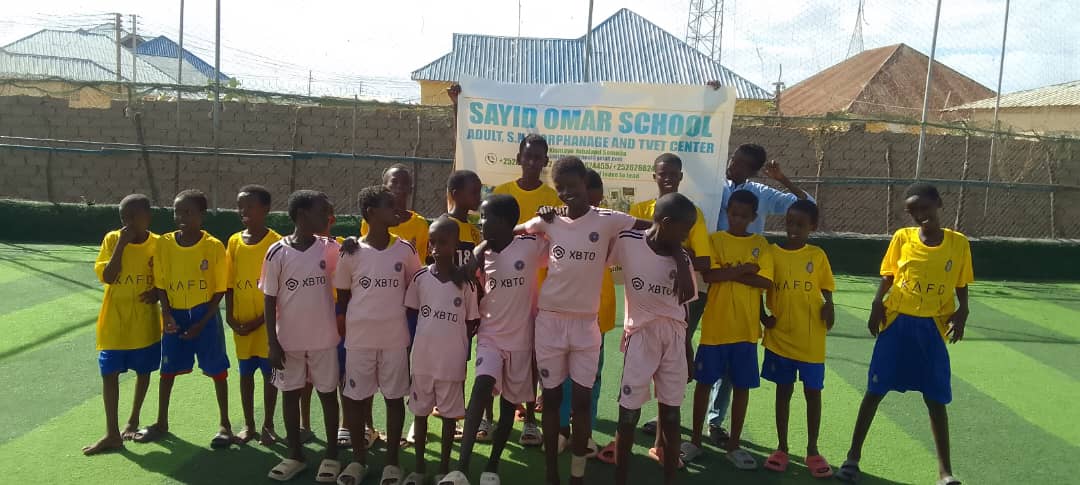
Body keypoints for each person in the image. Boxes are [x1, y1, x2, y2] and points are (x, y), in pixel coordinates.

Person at [517, 156, 649, 485]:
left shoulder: (607, 220)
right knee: (551, 399)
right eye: (560, 188)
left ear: (586, 185)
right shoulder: (549, 220)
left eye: (572, 186)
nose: (566, 193)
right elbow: (515, 232)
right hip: (550, 322)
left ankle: (577, 475)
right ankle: (551, 472)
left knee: (581, 401)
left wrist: (676, 251)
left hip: (586, 325)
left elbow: (648, 227)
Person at [835, 183, 972, 485]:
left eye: (924, 207)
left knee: (935, 399)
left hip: (932, 328)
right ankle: (852, 458)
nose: (920, 215)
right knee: (874, 392)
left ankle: (945, 472)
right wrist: (876, 303)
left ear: (938, 203)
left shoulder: (958, 243)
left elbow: (961, 281)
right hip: (897, 323)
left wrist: (963, 310)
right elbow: (889, 275)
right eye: (913, 211)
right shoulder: (902, 238)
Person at [704, 143, 812, 446]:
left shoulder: (762, 193)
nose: (732, 165)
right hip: (706, 276)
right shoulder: (713, 185)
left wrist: (783, 179)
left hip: (743, 287)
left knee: (731, 355)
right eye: (733, 159)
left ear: (752, 171)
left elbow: (807, 204)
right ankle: (665, 413)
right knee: (682, 344)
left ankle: (715, 421)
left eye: (741, 164)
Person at [451, 194, 548, 485]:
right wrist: (480, 249)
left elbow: (557, 237)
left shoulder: (529, 246)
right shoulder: (483, 254)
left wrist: (546, 218)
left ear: (505, 221)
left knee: (508, 405)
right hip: (490, 335)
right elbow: (462, 276)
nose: (480, 223)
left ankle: (492, 466)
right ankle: (461, 468)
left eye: (485, 217)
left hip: (521, 340)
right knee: (481, 387)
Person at [334, 186, 423, 485]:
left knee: (394, 398)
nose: (397, 210)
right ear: (371, 212)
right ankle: (358, 460)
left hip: (395, 339)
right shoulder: (351, 251)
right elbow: (343, 297)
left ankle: (392, 463)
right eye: (390, 205)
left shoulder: (406, 250)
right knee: (356, 398)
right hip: (359, 340)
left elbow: (417, 287)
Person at [132, 189, 233, 448]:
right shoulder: (164, 243)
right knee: (167, 370)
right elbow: (161, 283)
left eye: (188, 212)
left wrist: (201, 322)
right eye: (177, 212)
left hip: (204, 315)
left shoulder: (213, 246)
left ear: (202, 215)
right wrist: (166, 314)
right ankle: (161, 422)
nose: (181, 217)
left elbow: (219, 289)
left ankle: (225, 424)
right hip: (174, 313)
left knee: (217, 370)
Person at [609, 192, 697, 485]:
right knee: (628, 415)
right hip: (641, 337)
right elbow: (599, 248)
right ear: (666, 222)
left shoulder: (682, 256)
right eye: (684, 229)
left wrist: (688, 350)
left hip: (673, 339)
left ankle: (670, 478)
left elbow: (686, 305)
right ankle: (620, 478)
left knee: (671, 415)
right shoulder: (628, 242)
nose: (687, 236)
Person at [683, 189, 773, 470]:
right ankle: (695, 441)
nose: (737, 219)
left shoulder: (761, 244)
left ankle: (734, 445)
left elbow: (765, 282)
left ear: (753, 217)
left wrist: (730, 273)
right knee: (703, 384)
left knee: (741, 387)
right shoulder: (715, 240)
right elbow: (710, 275)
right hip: (715, 329)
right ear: (727, 212)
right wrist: (744, 269)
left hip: (746, 331)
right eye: (733, 214)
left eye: (744, 216)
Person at [629, 154, 712, 451]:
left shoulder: (692, 213)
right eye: (663, 173)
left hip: (678, 299)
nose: (668, 178)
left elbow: (703, 260)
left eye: (673, 174)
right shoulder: (640, 209)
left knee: (674, 365)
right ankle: (629, 437)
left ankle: (662, 439)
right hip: (645, 299)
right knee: (639, 368)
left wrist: (677, 254)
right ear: (654, 176)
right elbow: (633, 246)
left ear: (680, 177)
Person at [261, 190, 342, 482]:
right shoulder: (276, 252)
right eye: (323, 212)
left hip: (324, 339)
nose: (328, 217)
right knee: (290, 393)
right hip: (288, 341)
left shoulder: (330, 248)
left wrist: (353, 245)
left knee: (328, 394)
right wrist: (272, 343)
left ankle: (332, 455)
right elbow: (269, 299)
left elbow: (351, 259)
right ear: (303, 214)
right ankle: (295, 454)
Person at [491, 133, 560, 446]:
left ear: (545, 161)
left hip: (539, 292)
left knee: (531, 357)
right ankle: (489, 416)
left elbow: (557, 242)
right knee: (494, 355)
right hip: (503, 293)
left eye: (538, 157)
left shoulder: (553, 200)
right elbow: (491, 237)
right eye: (527, 156)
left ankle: (530, 420)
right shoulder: (502, 193)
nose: (532, 162)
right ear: (519, 158)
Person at [759, 200, 836, 478]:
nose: (793, 229)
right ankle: (782, 448)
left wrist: (830, 306)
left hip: (811, 339)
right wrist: (763, 316)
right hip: (780, 337)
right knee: (783, 391)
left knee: (813, 393)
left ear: (812, 227)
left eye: (800, 224)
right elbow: (760, 287)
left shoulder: (817, 255)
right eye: (790, 222)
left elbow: (826, 288)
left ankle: (813, 450)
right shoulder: (771, 252)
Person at [404, 217, 481, 485]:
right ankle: (419, 468)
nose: (436, 248)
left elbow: (471, 323)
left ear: (456, 244)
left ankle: (444, 468)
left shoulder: (466, 283)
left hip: (451, 364)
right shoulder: (420, 278)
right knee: (420, 415)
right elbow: (412, 316)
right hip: (423, 362)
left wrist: (460, 351)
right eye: (432, 242)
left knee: (449, 418)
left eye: (443, 242)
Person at [83, 194, 161, 455]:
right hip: (114, 322)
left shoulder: (158, 244)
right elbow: (108, 276)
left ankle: (133, 419)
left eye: (133, 217)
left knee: (144, 371)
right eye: (124, 218)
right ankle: (112, 433)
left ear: (147, 217)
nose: (128, 222)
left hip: (145, 323)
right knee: (109, 374)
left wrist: (157, 293)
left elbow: (165, 279)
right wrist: (121, 245)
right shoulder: (112, 239)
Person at [555, 169, 617, 461]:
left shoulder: (608, 223)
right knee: (562, 375)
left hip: (597, 315)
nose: (592, 209)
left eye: (596, 202)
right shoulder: (558, 223)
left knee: (592, 377)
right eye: (588, 202)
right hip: (564, 314)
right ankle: (561, 430)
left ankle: (586, 432)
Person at [225, 185, 283, 446]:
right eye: (240, 206)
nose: (243, 211)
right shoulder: (234, 241)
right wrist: (230, 317)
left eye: (250, 206)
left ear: (266, 209)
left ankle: (268, 425)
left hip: (266, 325)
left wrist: (261, 320)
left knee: (269, 375)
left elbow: (279, 291)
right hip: (241, 324)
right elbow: (228, 283)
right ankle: (248, 425)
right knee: (245, 375)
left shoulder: (276, 243)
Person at [361, 163, 430, 258]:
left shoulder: (420, 224)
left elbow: (420, 260)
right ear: (384, 187)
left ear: (410, 189)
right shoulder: (371, 220)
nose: (399, 186)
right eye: (394, 181)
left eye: (405, 183)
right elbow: (366, 252)